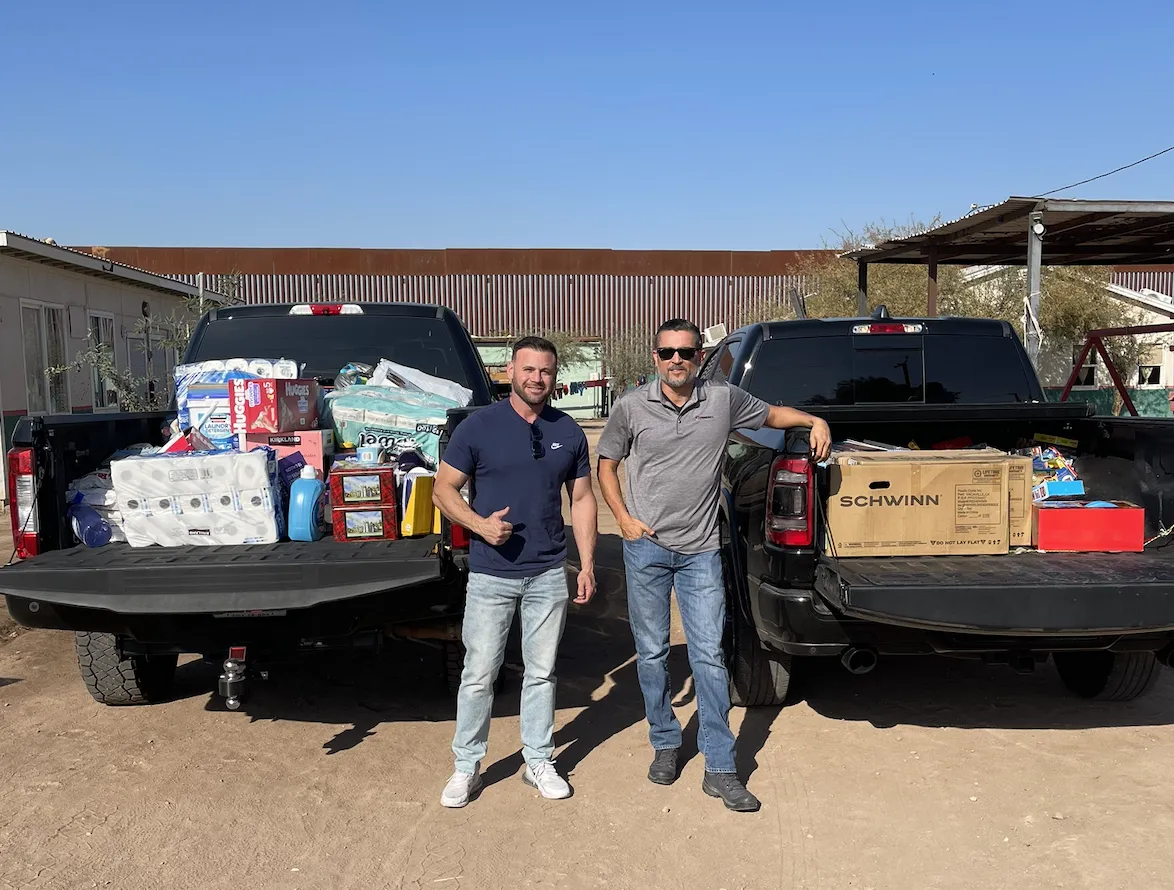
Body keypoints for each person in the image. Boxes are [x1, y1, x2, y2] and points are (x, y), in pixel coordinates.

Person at [596, 318, 831, 813]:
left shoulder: (722, 399)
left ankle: (720, 766)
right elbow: (607, 464)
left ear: (699, 356)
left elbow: (773, 416)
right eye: (667, 352)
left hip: (702, 550)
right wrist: (622, 518)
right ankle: (664, 741)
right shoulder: (630, 407)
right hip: (647, 549)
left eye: (685, 351)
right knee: (654, 653)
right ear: (654, 356)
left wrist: (815, 422)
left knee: (708, 655)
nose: (676, 360)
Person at [433, 335, 598, 808]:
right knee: (479, 674)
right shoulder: (479, 428)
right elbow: (443, 491)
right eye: (528, 369)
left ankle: (538, 760)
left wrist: (586, 564)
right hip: (490, 575)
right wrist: (480, 525)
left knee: (541, 673)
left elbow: (582, 499)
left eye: (545, 371)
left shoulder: (568, 430)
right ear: (510, 371)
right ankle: (467, 767)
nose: (536, 379)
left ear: (554, 375)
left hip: (547, 572)